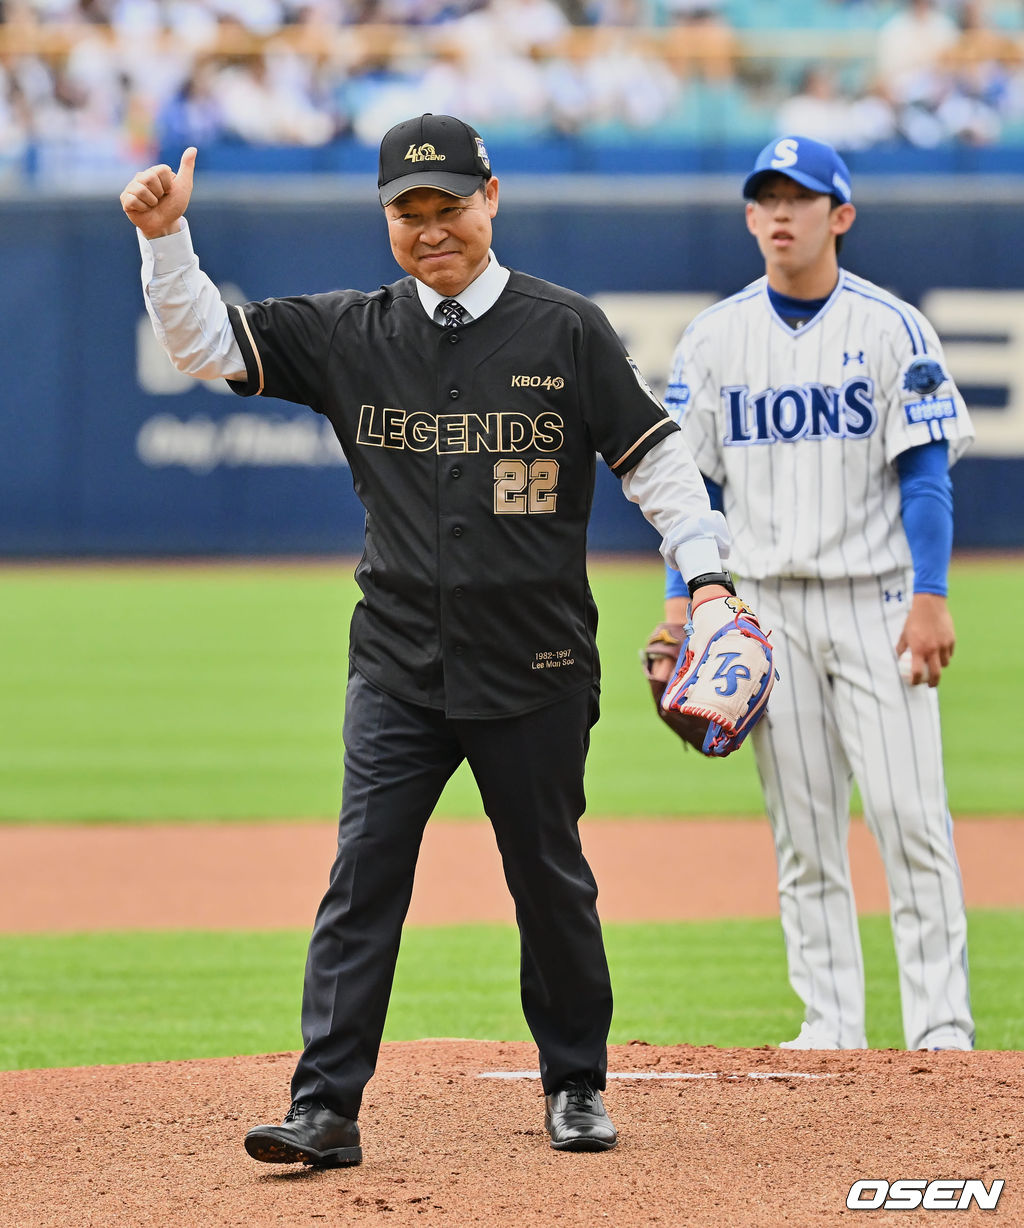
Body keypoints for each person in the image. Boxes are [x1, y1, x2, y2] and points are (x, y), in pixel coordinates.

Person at [119, 112, 747, 1162]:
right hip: (400, 662)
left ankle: (576, 1083)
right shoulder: (351, 331)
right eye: (407, 211)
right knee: (363, 874)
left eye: (448, 205)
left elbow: (656, 463)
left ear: (490, 198)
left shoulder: (566, 329)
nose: (430, 228)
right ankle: (326, 1107)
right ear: (385, 219)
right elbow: (202, 344)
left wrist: (712, 582)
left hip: (537, 662)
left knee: (548, 877)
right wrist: (165, 241)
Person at [659, 135, 975, 1052]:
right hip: (763, 613)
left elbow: (923, 477)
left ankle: (941, 1032)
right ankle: (831, 1026)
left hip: (875, 601)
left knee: (912, 821)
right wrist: (685, 608)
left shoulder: (892, 327)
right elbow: (693, 494)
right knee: (803, 835)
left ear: (840, 215)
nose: (782, 214)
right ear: (751, 217)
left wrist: (932, 594)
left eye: (801, 198)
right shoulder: (715, 338)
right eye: (767, 199)